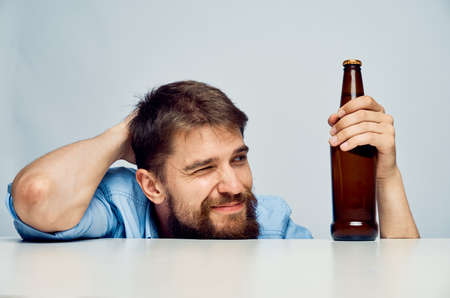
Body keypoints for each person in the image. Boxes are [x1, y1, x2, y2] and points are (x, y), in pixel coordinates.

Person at [5, 81, 419, 241]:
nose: (234, 186)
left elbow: (393, 282)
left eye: (238, 159)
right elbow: (37, 196)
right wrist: (125, 133)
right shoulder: (123, 209)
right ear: (151, 186)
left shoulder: (270, 221)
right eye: (203, 168)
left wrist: (386, 173)